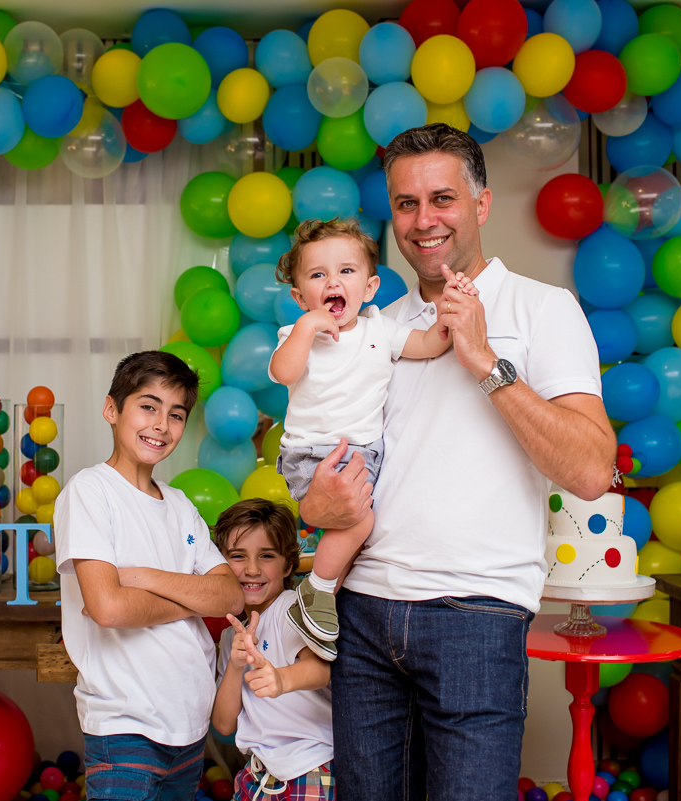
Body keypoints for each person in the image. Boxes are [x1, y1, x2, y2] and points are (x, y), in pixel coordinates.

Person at [299, 124, 616, 800]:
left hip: (476, 615)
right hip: (364, 614)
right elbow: (325, 456)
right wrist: (313, 504)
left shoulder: (543, 308)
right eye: (406, 203)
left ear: (482, 203)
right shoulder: (375, 325)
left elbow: (591, 471)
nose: (424, 220)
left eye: (442, 198)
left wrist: (485, 361)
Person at [268, 218, 477, 658]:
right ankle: (315, 591)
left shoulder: (380, 329)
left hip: (364, 453)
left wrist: (446, 316)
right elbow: (284, 372)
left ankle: (321, 605)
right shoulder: (296, 335)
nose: (333, 282)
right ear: (300, 297)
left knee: (361, 528)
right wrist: (306, 328)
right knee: (359, 521)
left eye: (346, 271)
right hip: (314, 453)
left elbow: (428, 344)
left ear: (369, 287)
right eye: (318, 275)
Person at [53, 350, 245, 800]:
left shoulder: (180, 504)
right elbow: (109, 609)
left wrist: (143, 577)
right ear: (111, 409)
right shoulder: (90, 491)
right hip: (125, 726)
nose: (161, 424)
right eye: (148, 406)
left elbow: (231, 597)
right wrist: (192, 601)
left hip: (190, 726)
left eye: (176, 415)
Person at [212, 499, 335, 801]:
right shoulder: (231, 635)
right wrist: (235, 665)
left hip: (310, 765)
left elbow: (319, 669)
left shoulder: (290, 609)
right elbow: (224, 724)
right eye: (237, 556)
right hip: (260, 772)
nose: (252, 569)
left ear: (288, 565)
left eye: (266, 556)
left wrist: (280, 678)